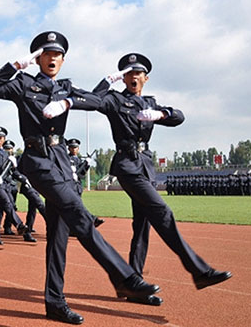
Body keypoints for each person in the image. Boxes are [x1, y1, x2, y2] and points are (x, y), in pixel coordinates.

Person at [0, 31, 160, 325]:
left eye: (57, 55)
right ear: (38, 58)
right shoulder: (24, 84)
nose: (52, 59)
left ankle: (54, 302)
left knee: (58, 238)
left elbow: (95, 101)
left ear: (63, 60)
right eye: (46, 54)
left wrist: (105, 83)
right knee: (80, 215)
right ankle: (125, 277)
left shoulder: (66, 87)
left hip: (62, 164)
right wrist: (15, 66)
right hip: (38, 161)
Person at [93, 53, 232, 304]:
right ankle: (199, 271)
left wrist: (162, 113)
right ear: (123, 77)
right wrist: (107, 80)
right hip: (127, 166)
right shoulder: (115, 100)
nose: (133, 77)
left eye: (138, 73)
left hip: (145, 167)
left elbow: (180, 117)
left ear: (146, 78)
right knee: (162, 211)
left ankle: (132, 285)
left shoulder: (150, 102)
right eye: (128, 73)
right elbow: (94, 100)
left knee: (142, 225)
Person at [0, 127, 29, 245]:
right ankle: (19, 224)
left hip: (5, 184)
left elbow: (14, 172)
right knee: (7, 203)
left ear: (4, 139)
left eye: (1, 138)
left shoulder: (6, 154)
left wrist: (24, 179)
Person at [66, 138, 105, 229]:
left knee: (75, 208)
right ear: (69, 148)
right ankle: (92, 220)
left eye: (75, 147)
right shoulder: (66, 158)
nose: (74, 149)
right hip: (69, 186)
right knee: (77, 206)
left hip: (77, 186)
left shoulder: (79, 160)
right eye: (72, 147)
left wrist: (86, 164)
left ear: (78, 149)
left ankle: (73, 228)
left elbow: (81, 174)